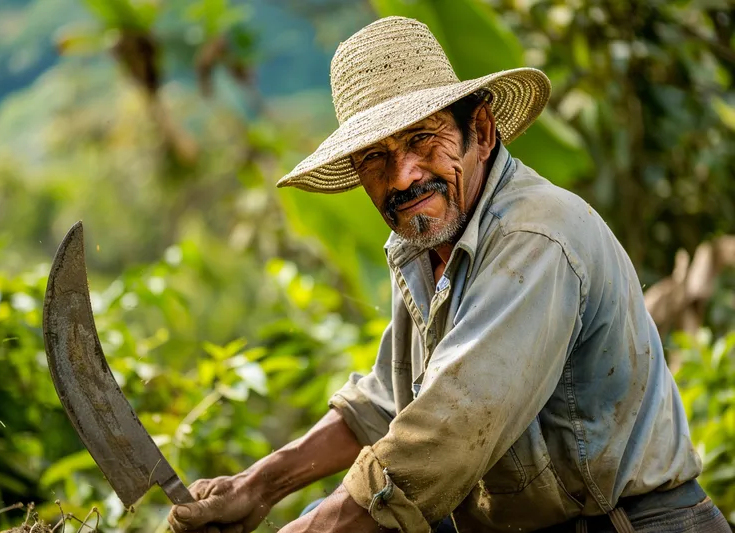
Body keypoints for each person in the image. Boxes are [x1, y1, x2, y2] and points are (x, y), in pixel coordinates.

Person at [167, 16, 729, 533]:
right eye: (375, 158)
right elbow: (389, 402)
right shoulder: (423, 244)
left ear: (480, 131)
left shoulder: (534, 236)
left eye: (422, 139)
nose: (403, 176)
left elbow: (447, 432)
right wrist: (257, 487)